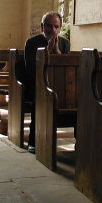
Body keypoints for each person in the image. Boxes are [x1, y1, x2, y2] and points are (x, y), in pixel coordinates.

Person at [24, 11, 70, 153]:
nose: (53, 30)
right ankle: (34, 141)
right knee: (40, 98)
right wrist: (47, 52)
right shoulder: (31, 43)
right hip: (37, 84)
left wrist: (57, 51)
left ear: (60, 27)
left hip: (58, 84)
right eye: (49, 26)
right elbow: (31, 69)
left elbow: (66, 68)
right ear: (42, 27)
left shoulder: (64, 43)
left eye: (56, 26)